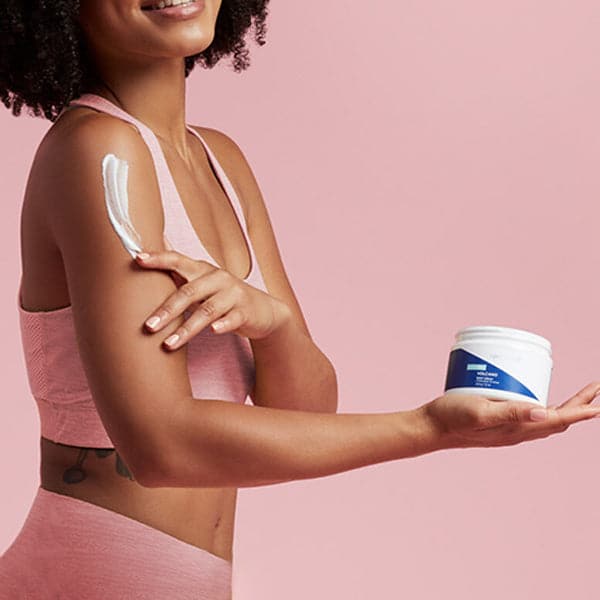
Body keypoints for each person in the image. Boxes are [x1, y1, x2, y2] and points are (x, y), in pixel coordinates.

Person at [1, 1, 600, 598]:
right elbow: (162, 447)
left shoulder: (220, 160)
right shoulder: (98, 151)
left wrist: (276, 326)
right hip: (85, 578)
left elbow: (308, 419)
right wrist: (429, 428)